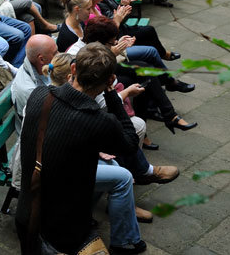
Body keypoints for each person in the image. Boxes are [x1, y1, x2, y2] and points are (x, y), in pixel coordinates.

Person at [16, 43, 147, 255]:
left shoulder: (39, 95)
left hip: (29, 211)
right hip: (65, 226)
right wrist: (112, 96)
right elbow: (130, 144)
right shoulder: (100, 121)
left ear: (73, 69)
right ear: (110, 80)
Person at [88, 0, 179, 61]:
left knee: (147, 33)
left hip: (120, 28)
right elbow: (113, 23)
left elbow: (117, 15)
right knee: (148, 32)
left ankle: (161, 54)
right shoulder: (100, 0)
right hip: (117, 34)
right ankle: (162, 55)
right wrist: (124, 6)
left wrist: (124, 4)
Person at [9, 35, 58, 135]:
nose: (59, 55)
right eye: (55, 53)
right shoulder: (30, 92)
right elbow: (52, 122)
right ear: (41, 59)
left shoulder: (36, 64)